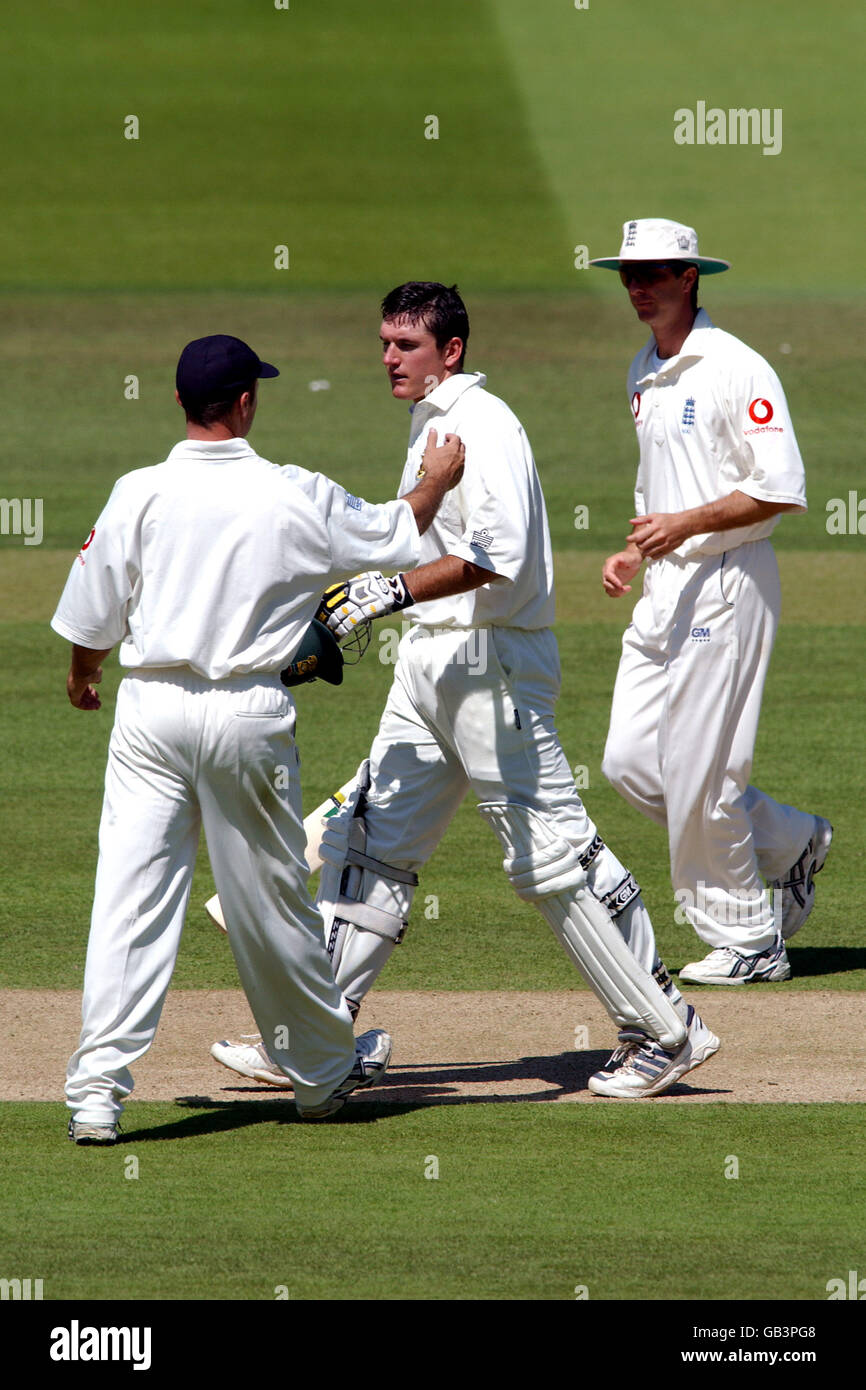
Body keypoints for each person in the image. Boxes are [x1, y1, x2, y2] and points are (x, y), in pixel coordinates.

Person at [211, 283, 720, 1100]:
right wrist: (384, 597)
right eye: (383, 343)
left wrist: (389, 593)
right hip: (432, 662)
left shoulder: (485, 424)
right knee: (369, 843)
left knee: (549, 857)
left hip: (494, 664)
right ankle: (315, 1035)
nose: (388, 358)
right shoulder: (429, 422)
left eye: (406, 345)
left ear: (451, 350)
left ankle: (665, 1028)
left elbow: (498, 554)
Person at [52, 332, 465, 1142]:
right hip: (247, 711)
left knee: (129, 900)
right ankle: (317, 1079)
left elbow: (92, 611)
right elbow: (393, 535)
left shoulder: (137, 491)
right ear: (246, 402)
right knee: (271, 901)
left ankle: (96, 1093)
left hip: (150, 709)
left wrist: (83, 675)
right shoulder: (292, 492)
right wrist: (436, 481)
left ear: (178, 403)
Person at [590, 219, 832, 985]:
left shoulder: (738, 367)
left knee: (703, 773)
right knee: (630, 762)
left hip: (728, 581)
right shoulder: (643, 368)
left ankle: (748, 938)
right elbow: (660, 484)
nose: (638, 286)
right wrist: (636, 547)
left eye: (654, 273)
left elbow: (780, 488)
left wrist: (684, 525)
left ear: (690, 276)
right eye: (629, 274)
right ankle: (788, 842)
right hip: (666, 584)